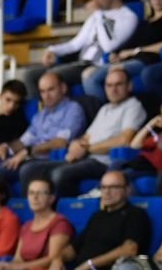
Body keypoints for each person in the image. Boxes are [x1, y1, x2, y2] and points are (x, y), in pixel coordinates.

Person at [31, 67, 146, 199]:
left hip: (105, 162)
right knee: (32, 170)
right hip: (87, 158)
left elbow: (125, 140)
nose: (113, 89)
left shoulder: (133, 106)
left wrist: (88, 149)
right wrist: (76, 145)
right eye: (109, 85)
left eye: (118, 84)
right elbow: (86, 137)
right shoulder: (105, 108)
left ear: (129, 86)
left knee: (59, 174)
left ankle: (73, 209)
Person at [19, 0, 137, 95]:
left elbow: (109, 46)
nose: (95, 0)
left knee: (54, 76)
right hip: (80, 63)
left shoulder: (128, 17)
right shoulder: (97, 16)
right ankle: (41, 112)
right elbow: (75, 44)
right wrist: (52, 50)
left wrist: (98, 14)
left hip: (97, 65)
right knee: (29, 75)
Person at [56, 171, 152, 270]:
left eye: (113, 187)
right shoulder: (97, 216)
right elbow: (74, 248)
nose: (107, 192)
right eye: (103, 187)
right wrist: (57, 259)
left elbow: (130, 249)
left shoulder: (135, 214)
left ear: (127, 190)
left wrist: (90, 264)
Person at [6, 72, 87, 189]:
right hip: (33, 158)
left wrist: (29, 151)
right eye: (42, 91)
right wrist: (3, 148)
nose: (46, 96)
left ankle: (28, 207)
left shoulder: (73, 109)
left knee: (27, 170)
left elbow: (60, 142)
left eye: (51, 90)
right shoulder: (40, 115)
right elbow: (24, 141)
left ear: (63, 88)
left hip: (56, 159)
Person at [0, 177, 74, 270]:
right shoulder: (26, 226)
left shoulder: (60, 223)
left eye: (41, 193)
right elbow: (18, 258)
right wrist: (9, 266)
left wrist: (22, 267)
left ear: (51, 198)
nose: (35, 197)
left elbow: (53, 258)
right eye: (31, 193)